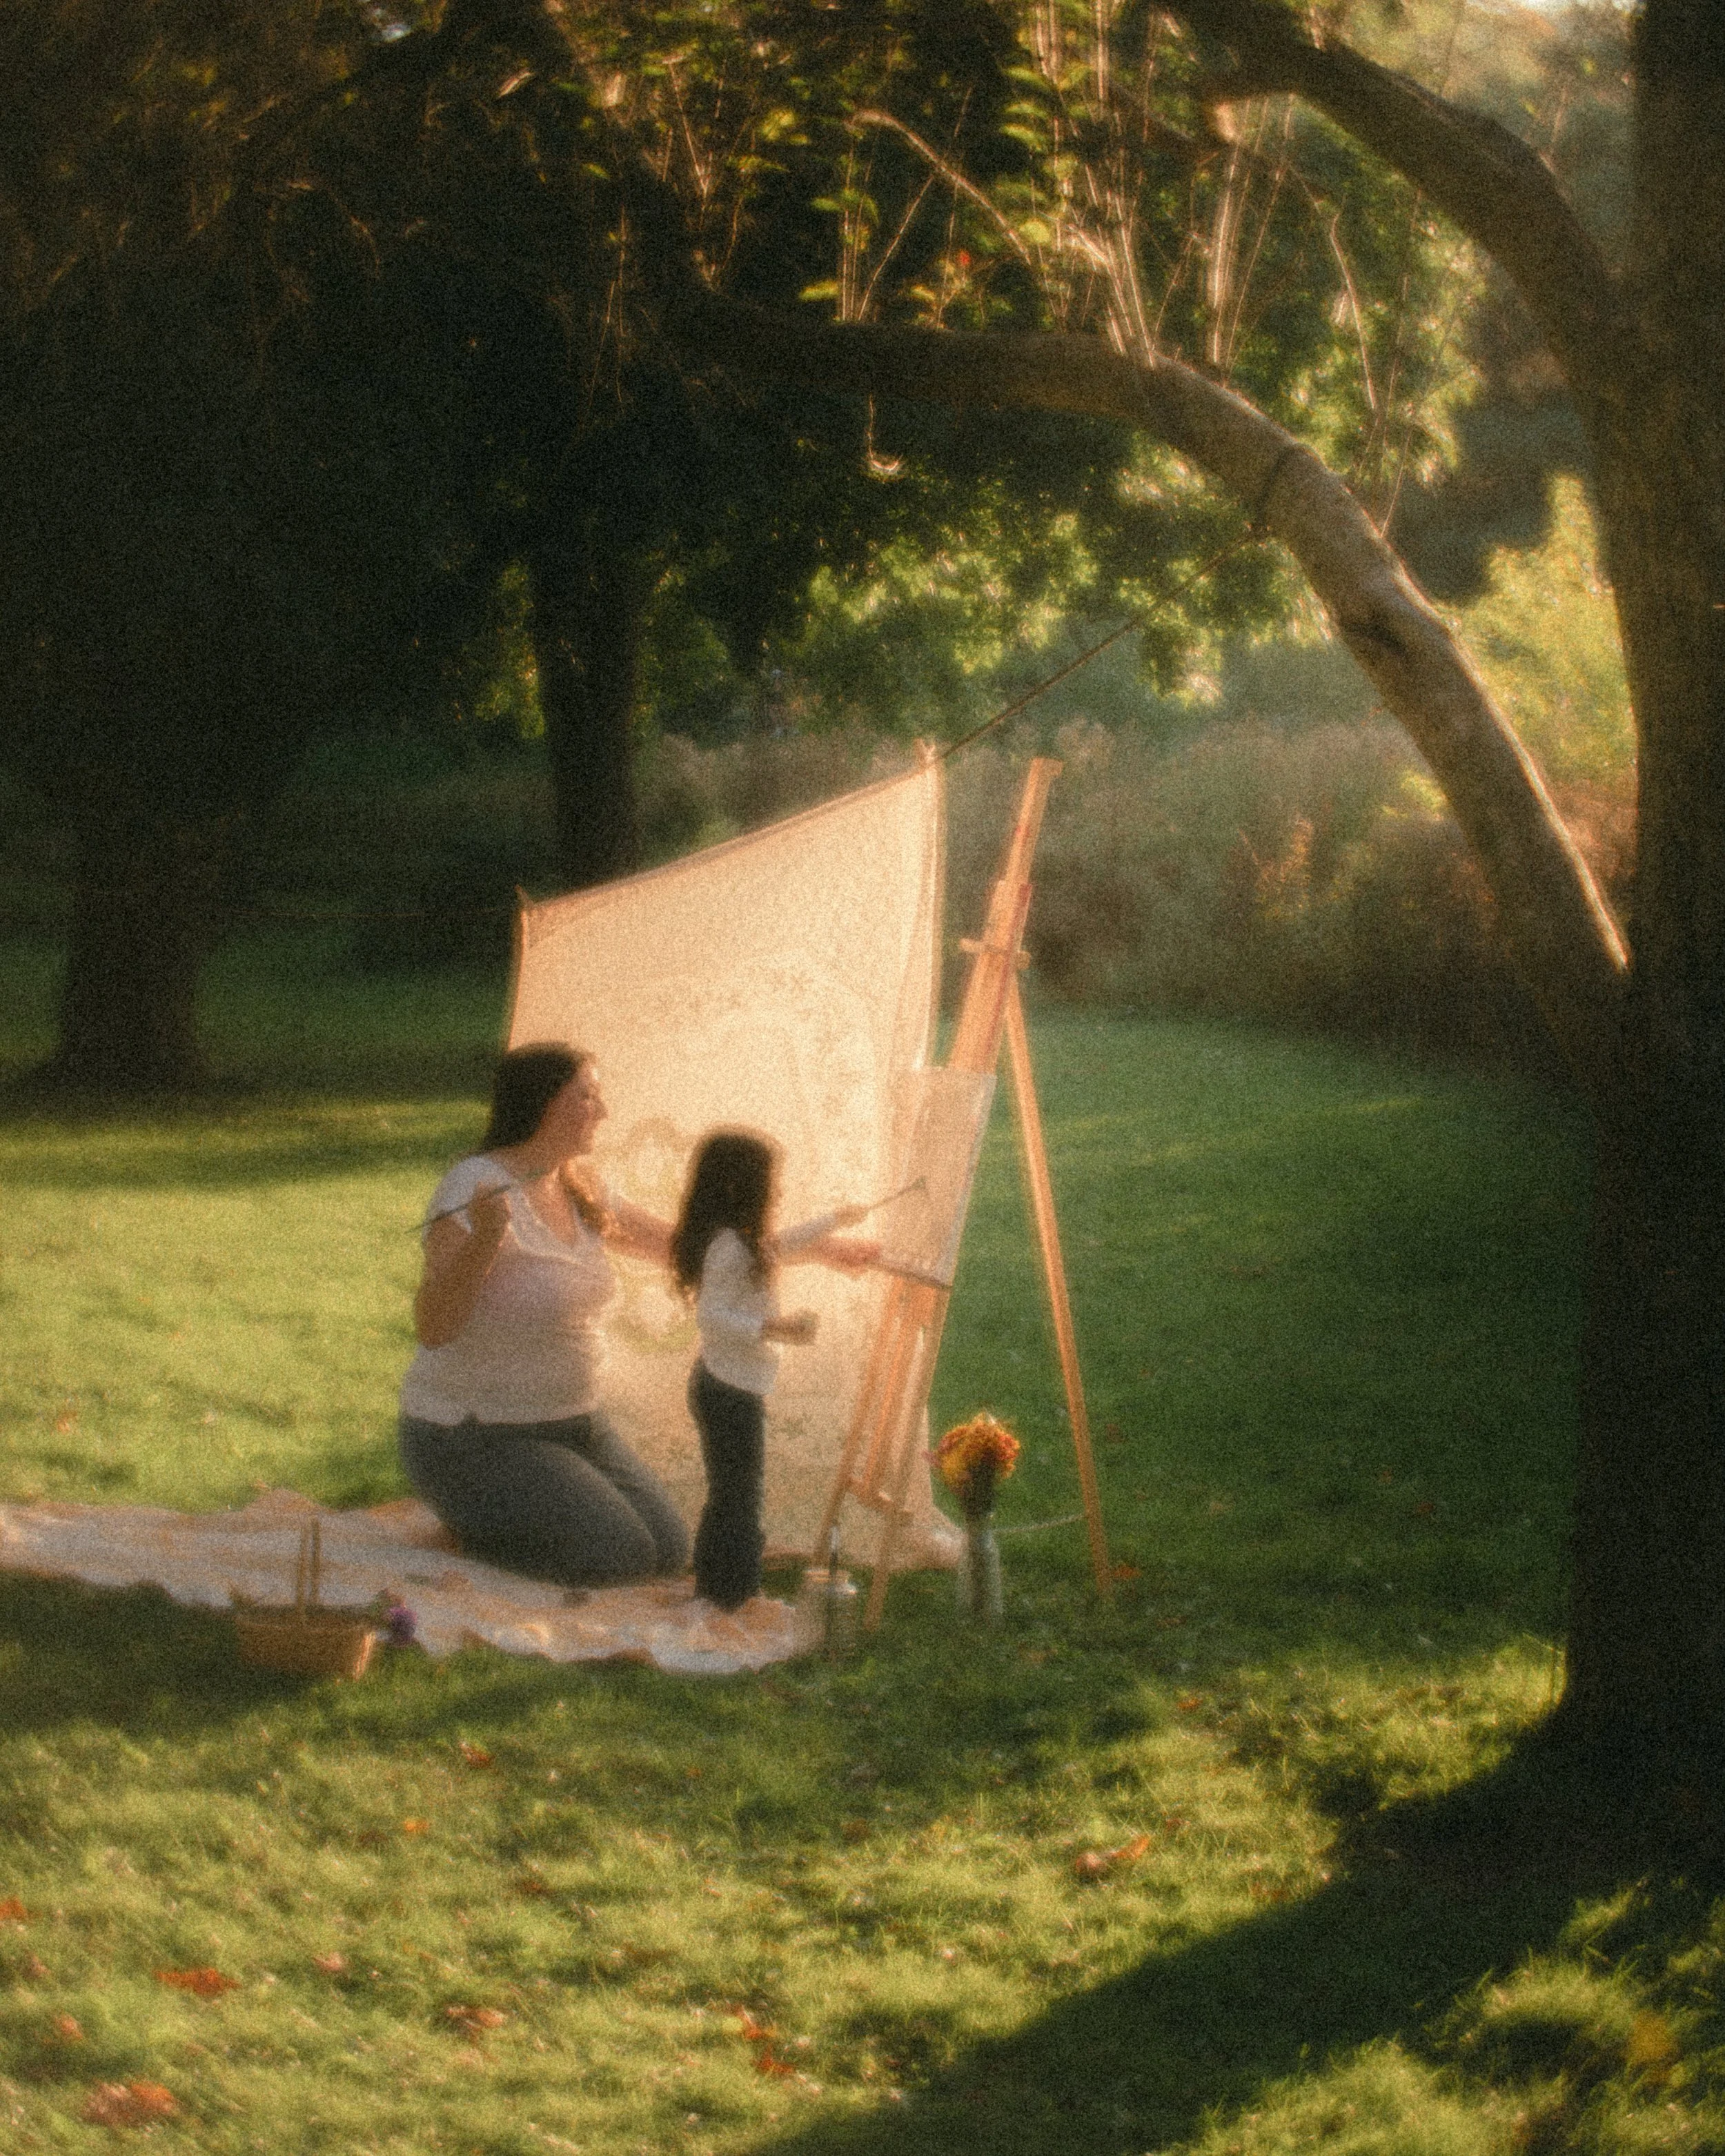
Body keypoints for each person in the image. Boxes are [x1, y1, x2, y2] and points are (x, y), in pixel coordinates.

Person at [399, 1042, 691, 1588]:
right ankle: (473, 1531)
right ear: (545, 1102)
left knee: (669, 1550)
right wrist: (486, 1237)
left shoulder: (580, 1183)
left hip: (575, 1423)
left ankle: (522, 1518)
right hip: (473, 1437)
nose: (603, 1111)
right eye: (587, 1095)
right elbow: (434, 1326)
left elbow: (682, 1248)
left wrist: (814, 1248)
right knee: (620, 1556)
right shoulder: (473, 1185)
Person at [669, 1129, 877, 1611]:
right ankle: (734, 1593)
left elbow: (782, 1243)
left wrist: (834, 1220)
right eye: (772, 1183)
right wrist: (773, 1325)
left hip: (731, 1384)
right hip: (727, 1389)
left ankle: (716, 1583)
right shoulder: (727, 1247)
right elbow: (710, 1317)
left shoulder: (742, 1242)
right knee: (740, 1496)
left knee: (732, 1491)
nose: (779, 1193)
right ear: (741, 1187)